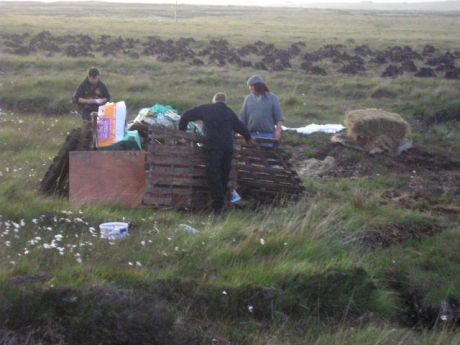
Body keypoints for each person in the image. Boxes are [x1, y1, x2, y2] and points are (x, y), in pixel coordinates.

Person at [179, 93, 253, 214]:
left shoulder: (207, 108)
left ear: (214, 101)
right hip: (227, 149)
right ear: (225, 102)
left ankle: (218, 206)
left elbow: (186, 115)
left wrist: (182, 131)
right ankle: (221, 206)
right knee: (224, 176)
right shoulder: (229, 112)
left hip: (213, 147)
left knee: (213, 176)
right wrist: (248, 138)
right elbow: (241, 127)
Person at [240, 75, 285, 143]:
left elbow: (279, 118)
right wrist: (241, 132)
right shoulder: (248, 99)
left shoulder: (272, 98)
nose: (250, 89)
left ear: (258, 87)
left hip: (267, 135)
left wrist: (278, 131)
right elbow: (243, 118)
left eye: (252, 87)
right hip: (251, 135)